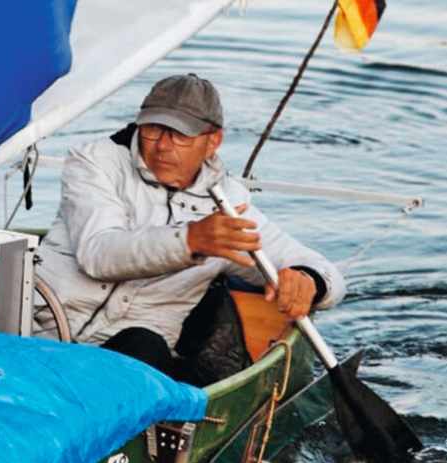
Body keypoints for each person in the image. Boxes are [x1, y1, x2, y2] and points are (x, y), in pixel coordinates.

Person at [35, 73, 345, 375]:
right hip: (37, 335)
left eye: (180, 134)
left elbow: (325, 273)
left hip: (129, 360)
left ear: (213, 141)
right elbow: (98, 254)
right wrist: (191, 241)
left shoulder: (229, 203)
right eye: (153, 129)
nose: (162, 146)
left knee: (145, 344)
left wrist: (308, 281)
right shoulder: (95, 162)